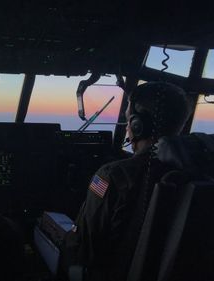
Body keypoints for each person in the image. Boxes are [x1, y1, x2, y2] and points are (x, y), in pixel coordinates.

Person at [62, 81, 191, 281]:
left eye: (129, 120)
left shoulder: (112, 176)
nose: (128, 126)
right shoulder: (197, 174)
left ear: (139, 126)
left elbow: (85, 247)